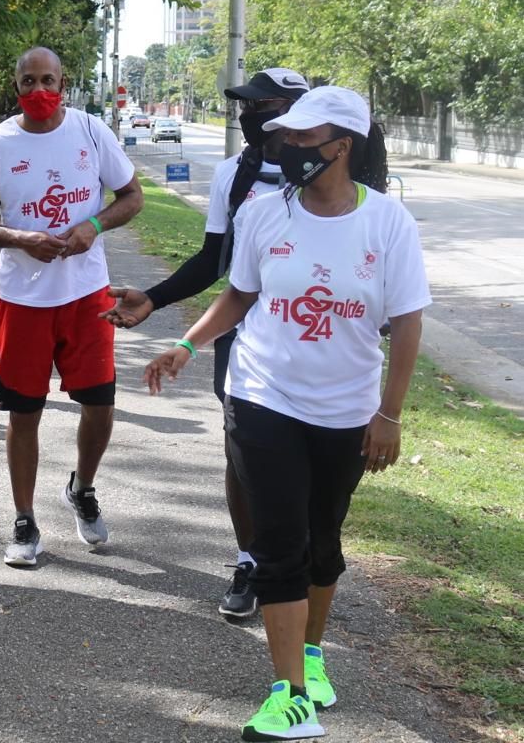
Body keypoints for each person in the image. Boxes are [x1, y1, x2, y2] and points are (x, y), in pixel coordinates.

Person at [144, 86, 431, 741]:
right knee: (277, 545)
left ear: (342, 146)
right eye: (286, 137)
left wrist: (388, 415)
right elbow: (239, 297)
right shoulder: (264, 215)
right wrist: (187, 346)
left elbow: (408, 323)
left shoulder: (387, 224)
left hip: (346, 409)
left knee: (320, 545)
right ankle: (291, 700)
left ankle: (309, 653)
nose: (288, 146)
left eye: (304, 138)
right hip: (261, 395)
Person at [102, 68, 310, 619]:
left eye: (262, 104)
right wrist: (152, 298)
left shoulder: (329, 171)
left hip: (314, 335)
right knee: (243, 452)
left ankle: (299, 557)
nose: (250, 114)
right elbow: (212, 260)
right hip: (243, 334)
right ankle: (251, 560)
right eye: (247, 105)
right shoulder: (232, 177)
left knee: (307, 454)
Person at [0, 46, 143, 566]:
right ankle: (24, 520)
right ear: (14, 85)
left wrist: (95, 225)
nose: (39, 91)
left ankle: (82, 488)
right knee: (24, 413)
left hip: (87, 294)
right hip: (24, 297)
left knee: (100, 406)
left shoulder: (90, 131)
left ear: (64, 82)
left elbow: (132, 195)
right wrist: (18, 237)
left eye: (48, 80)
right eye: (28, 82)